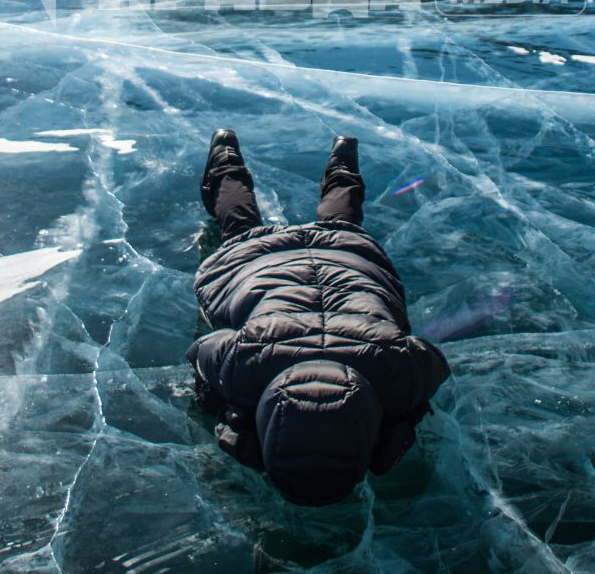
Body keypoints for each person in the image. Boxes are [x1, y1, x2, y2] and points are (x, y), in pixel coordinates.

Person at [187, 130, 450, 505]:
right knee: (239, 224)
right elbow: (202, 351)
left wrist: (400, 418)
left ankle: (343, 160)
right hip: (257, 265)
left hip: (349, 263)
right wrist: (229, 408)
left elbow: (433, 362)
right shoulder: (243, 366)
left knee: (342, 222)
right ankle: (225, 151)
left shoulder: (400, 372)